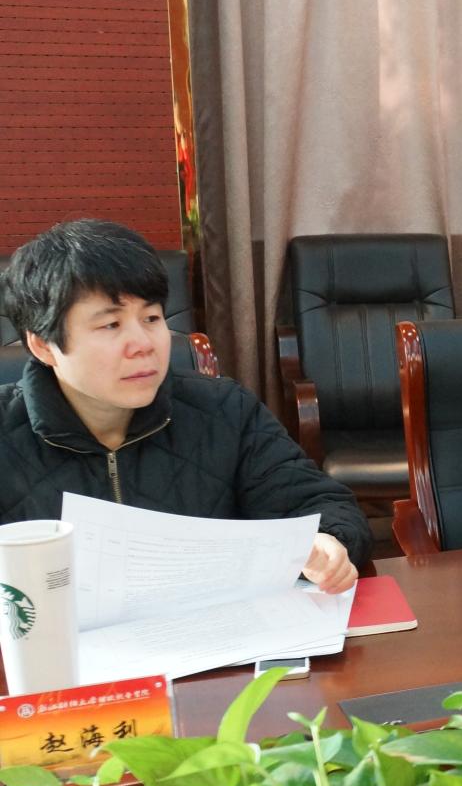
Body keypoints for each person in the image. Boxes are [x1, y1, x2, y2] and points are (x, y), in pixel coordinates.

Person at [0, 220, 368, 589]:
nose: (143, 344)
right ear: (43, 346)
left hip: (216, 621)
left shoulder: (224, 410)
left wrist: (327, 541)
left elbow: (318, 504)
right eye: (111, 325)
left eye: (151, 318)